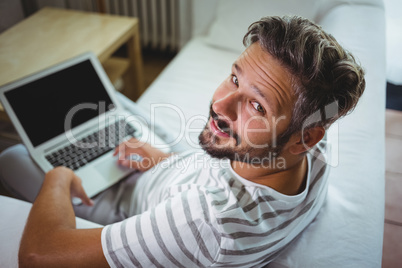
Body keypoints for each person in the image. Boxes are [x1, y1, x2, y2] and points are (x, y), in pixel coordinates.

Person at [0, 15, 365, 267]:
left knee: (13, 157)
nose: (219, 104)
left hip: (129, 202)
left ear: (304, 138)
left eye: (257, 105)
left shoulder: (205, 226)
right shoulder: (315, 148)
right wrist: (162, 159)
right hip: (173, 169)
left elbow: (38, 257)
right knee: (112, 105)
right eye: (234, 78)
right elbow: (214, 169)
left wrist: (59, 177)